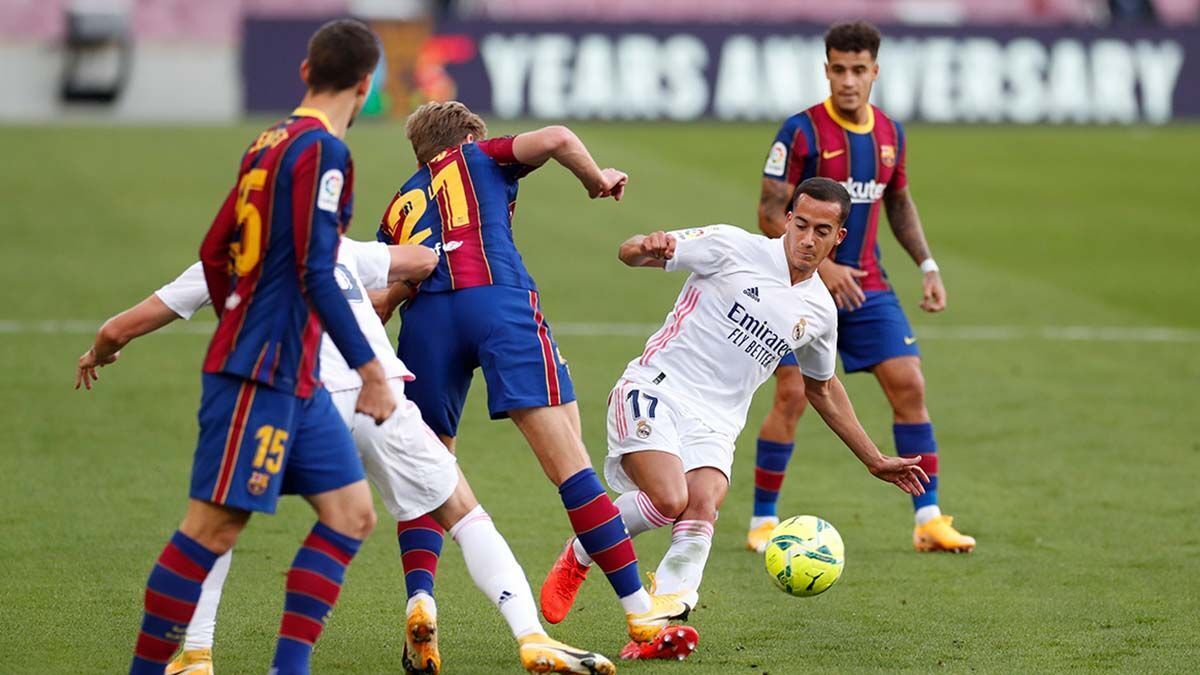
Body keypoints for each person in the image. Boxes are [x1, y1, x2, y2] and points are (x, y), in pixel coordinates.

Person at [78, 240, 616, 675]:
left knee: (218, 521)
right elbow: (425, 259)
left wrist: (101, 353)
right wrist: (401, 276)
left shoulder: (225, 258)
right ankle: (531, 635)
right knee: (465, 513)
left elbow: (117, 328)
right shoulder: (337, 248)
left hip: (294, 402)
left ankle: (196, 654)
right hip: (377, 394)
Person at [106, 20, 397, 675]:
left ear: (303, 72)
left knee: (351, 515)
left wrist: (236, 304)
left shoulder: (265, 141)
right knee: (212, 528)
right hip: (262, 367)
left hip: (293, 374)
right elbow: (317, 269)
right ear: (365, 84)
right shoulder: (325, 151)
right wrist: (371, 369)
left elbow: (216, 249)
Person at [540, 178, 929, 660]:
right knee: (668, 497)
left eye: (822, 231)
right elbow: (629, 253)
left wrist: (873, 459)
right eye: (801, 224)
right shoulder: (730, 246)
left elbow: (822, 388)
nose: (808, 239)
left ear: (840, 238)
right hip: (656, 386)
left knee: (702, 502)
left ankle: (660, 624)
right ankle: (579, 554)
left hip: (717, 423)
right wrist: (648, 245)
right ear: (787, 219)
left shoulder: (820, 311)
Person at [376, 101, 691, 649]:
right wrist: (598, 179)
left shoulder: (397, 206)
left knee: (429, 470)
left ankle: (421, 600)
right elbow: (557, 137)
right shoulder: (477, 155)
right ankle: (641, 614)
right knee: (569, 463)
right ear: (471, 134)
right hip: (497, 302)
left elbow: (381, 300)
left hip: (425, 325)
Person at [747, 21, 975, 554]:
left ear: (875, 71)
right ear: (826, 70)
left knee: (910, 386)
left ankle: (929, 517)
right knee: (791, 395)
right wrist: (823, 266)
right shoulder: (800, 132)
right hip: (801, 282)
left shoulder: (891, 134)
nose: (848, 81)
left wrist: (927, 263)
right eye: (838, 70)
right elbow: (767, 210)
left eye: (859, 70)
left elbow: (897, 201)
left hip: (867, 284)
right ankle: (762, 518)